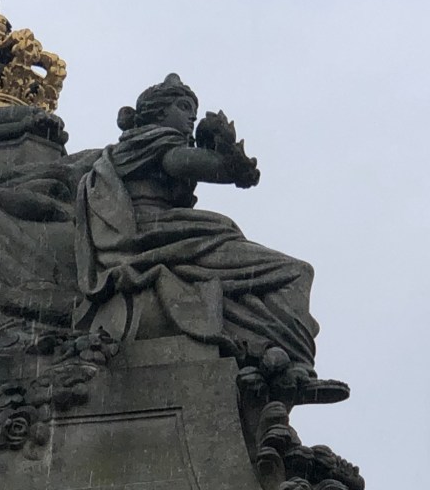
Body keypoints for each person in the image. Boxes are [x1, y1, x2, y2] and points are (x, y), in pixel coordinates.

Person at [75, 74, 342, 401]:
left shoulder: (129, 148)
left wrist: (226, 157)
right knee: (295, 271)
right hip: (158, 235)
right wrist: (227, 157)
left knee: (248, 275)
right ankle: (292, 360)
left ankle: (273, 356)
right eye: (183, 107)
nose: (191, 117)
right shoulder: (155, 141)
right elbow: (187, 164)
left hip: (170, 233)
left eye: (193, 110)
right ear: (158, 112)